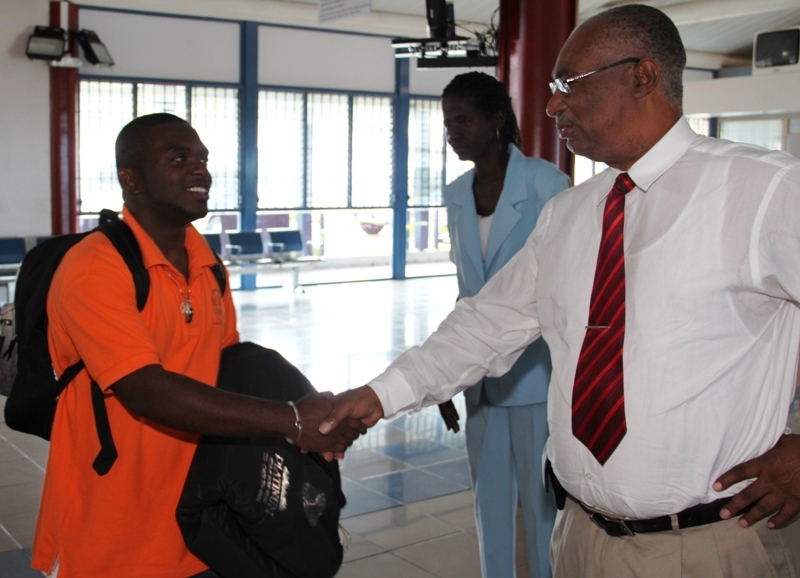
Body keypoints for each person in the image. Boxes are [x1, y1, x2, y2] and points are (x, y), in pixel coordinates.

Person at [321, 5, 800, 577]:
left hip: (709, 543)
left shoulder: (765, 190)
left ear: (641, 75)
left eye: (568, 84)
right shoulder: (569, 214)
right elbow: (486, 325)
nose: (552, 105)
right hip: (579, 539)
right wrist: (378, 396)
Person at [31, 113, 363, 578]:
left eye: (203, 158)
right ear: (131, 179)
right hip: (112, 524)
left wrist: (314, 415)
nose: (200, 170)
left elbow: (228, 366)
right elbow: (143, 389)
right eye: (179, 158)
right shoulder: (94, 268)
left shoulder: (206, 264)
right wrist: (291, 420)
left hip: (200, 518)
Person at [436, 71, 569, 578]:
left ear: (496, 121)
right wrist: (447, 368)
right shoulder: (455, 194)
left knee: (540, 504)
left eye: (463, 120)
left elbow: (561, 287)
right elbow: (468, 292)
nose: (454, 133)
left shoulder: (546, 185)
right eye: (448, 125)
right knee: (488, 499)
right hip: (480, 376)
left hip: (536, 372)